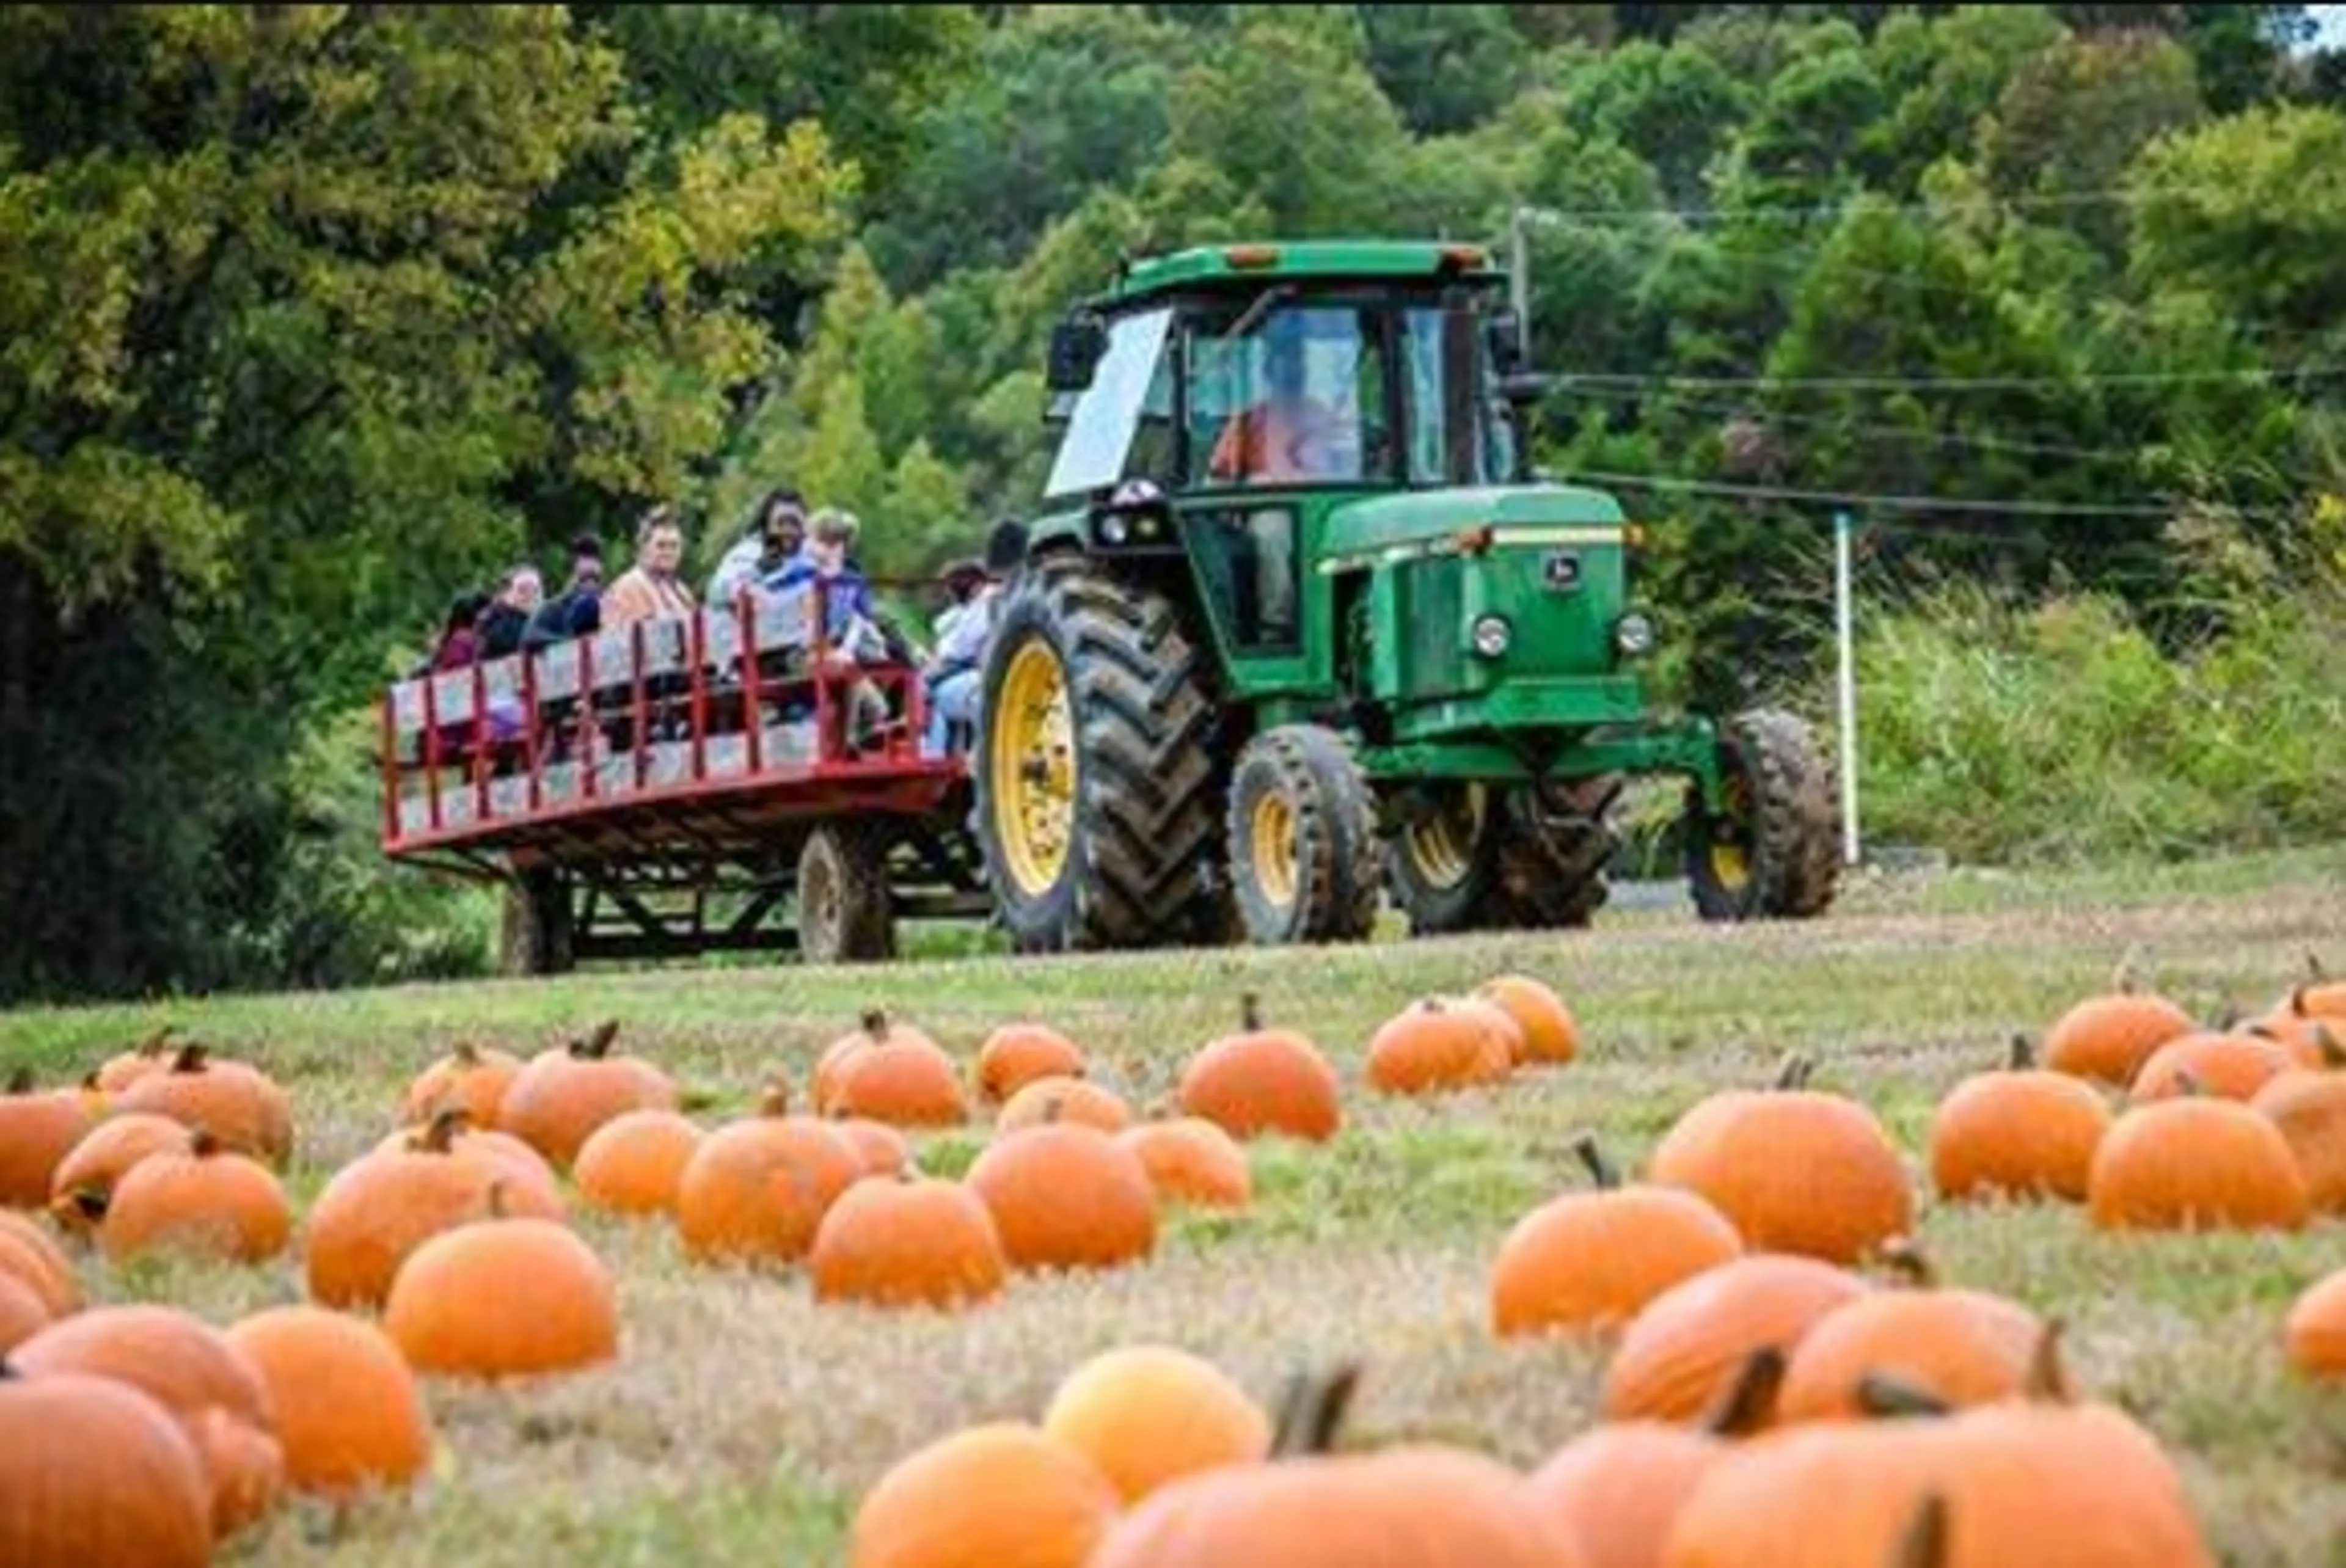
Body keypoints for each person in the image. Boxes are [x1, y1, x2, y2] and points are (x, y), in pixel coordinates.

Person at [1207, 308, 1360, 484]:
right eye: (1286, 361)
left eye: (1298, 361)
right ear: (1269, 369)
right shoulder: (1249, 422)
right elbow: (1218, 477)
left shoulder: (1320, 414)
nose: (1294, 369)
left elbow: (1343, 465)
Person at [921, 519, 1027, 759]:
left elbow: (957, 649)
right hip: (1015, 675)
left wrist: (934, 665)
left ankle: (936, 759)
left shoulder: (989, 601)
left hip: (990, 677)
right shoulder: (1027, 591)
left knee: (938, 699)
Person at [601, 503, 698, 629]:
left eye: (674, 546)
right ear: (644, 548)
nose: (668, 552)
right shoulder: (624, 590)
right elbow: (615, 642)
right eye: (661, 545)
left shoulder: (683, 593)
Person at [708, 487, 806, 605]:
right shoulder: (748, 553)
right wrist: (757, 572)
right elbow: (715, 592)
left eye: (794, 522)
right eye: (781, 523)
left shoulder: (811, 554)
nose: (788, 530)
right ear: (767, 526)